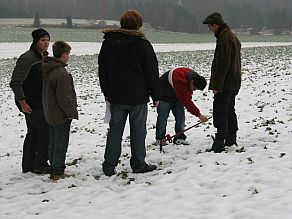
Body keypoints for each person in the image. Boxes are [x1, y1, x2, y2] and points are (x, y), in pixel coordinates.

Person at [98, 10, 160, 176]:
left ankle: (109, 166)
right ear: (138, 24)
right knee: (138, 131)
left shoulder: (107, 43)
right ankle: (138, 164)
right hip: (138, 96)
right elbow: (152, 71)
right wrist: (156, 95)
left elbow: (102, 70)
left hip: (116, 96)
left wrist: (106, 91)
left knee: (115, 131)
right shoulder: (143, 44)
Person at [10, 28, 51, 174]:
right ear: (35, 41)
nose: (46, 42)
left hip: (39, 100)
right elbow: (15, 82)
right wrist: (22, 102)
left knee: (33, 131)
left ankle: (28, 166)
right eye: (42, 40)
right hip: (29, 101)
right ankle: (40, 164)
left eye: (47, 39)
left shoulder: (44, 56)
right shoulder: (27, 58)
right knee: (45, 130)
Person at [202, 12, 242, 153]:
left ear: (215, 24)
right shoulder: (230, 35)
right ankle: (231, 138)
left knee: (220, 111)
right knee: (230, 110)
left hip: (226, 83)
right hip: (234, 81)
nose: (209, 29)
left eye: (210, 26)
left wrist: (217, 86)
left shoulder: (224, 37)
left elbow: (222, 64)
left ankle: (219, 143)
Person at [42, 41, 78, 181]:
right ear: (64, 54)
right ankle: (58, 172)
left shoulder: (48, 68)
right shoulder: (60, 72)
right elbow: (64, 98)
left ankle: (53, 169)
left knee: (53, 142)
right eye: (68, 54)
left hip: (50, 112)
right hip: (60, 114)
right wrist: (71, 113)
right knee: (60, 143)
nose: (68, 57)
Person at [155, 67, 209, 146]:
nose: (193, 90)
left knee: (181, 118)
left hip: (176, 96)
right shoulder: (179, 80)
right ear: (192, 82)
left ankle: (179, 138)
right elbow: (186, 100)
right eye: (194, 88)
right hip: (163, 96)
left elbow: (188, 94)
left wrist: (192, 108)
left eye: (195, 89)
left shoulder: (193, 78)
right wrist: (199, 115)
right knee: (162, 119)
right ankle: (160, 139)